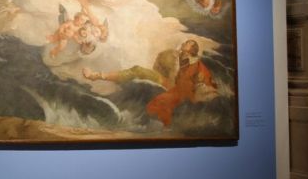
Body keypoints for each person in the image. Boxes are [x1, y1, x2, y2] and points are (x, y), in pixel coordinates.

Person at [83, 39, 217, 127]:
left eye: (188, 43)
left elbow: (205, 84)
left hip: (177, 90)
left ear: (193, 49)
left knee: (139, 73)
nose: (184, 43)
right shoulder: (174, 55)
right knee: (137, 70)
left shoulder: (197, 65)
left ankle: (96, 76)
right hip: (167, 82)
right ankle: (97, 75)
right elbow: (159, 68)